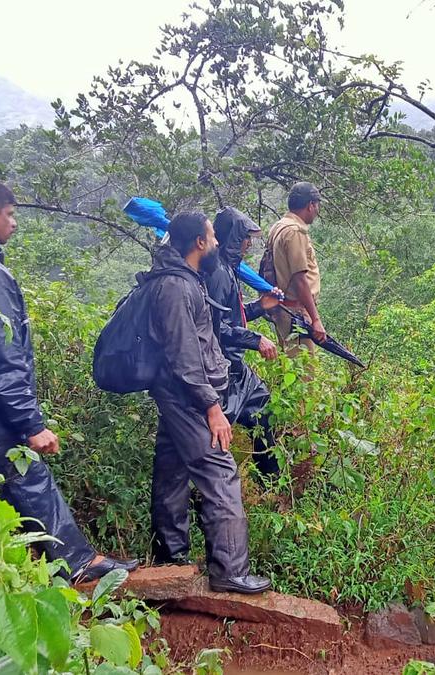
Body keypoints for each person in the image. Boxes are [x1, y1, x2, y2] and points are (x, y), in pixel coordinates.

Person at [0, 178, 137, 584]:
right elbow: (1, 356)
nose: (14, 224)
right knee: (29, 480)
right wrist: (30, 424)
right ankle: (77, 566)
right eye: (11, 214)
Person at [146, 210, 271, 594]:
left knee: (171, 471)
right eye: (212, 237)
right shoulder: (177, 287)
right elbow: (186, 355)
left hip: (178, 394)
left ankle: (170, 556)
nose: (217, 242)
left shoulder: (183, 279)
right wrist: (212, 407)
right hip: (189, 397)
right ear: (200, 242)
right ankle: (230, 571)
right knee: (220, 475)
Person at [208, 207, 282, 478]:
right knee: (213, 438)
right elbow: (216, 327)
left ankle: (271, 485)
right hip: (220, 369)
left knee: (262, 408)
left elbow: (232, 317)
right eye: (244, 237)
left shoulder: (227, 269)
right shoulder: (216, 273)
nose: (249, 244)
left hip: (235, 369)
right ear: (232, 238)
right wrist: (256, 339)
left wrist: (261, 306)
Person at [264, 182, 325, 356]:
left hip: (284, 312)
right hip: (296, 314)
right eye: (317, 205)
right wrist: (315, 319)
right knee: (304, 375)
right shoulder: (294, 232)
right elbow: (300, 279)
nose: (317, 210)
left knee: (290, 367)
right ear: (310, 205)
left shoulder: (279, 226)